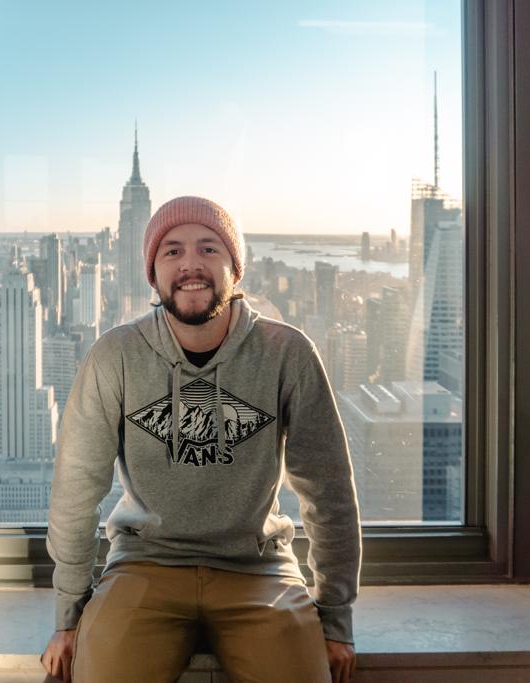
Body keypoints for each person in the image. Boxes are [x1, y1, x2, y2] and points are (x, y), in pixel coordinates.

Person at [40, 195, 362, 683]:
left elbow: (329, 489)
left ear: (236, 268)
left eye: (209, 248)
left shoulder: (287, 353)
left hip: (258, 569)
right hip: (143, 566)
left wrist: (336, 619)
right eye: (172, 251)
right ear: (153, 273)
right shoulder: (115, 356)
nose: (190, 264)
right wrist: (69, 616)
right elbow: (76, 489)